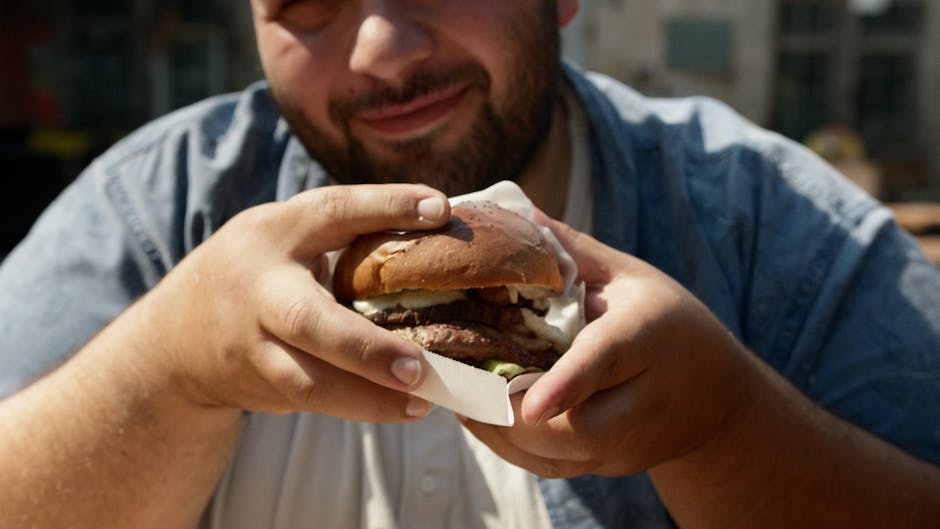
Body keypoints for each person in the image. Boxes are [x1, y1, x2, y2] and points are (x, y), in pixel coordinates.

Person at [2, 1, 939, 527]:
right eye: (306, 7)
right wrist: (163, 371)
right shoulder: (157, 212)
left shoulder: (767, 225)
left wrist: (728, 430)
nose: (379, 51)